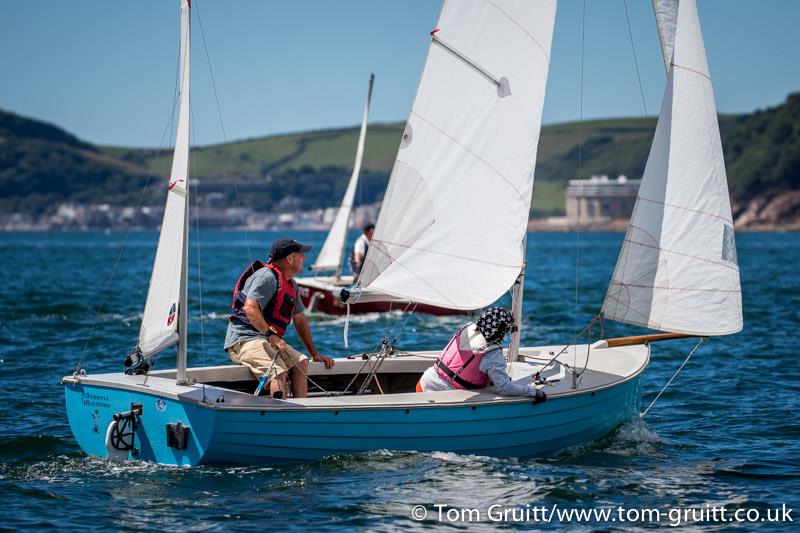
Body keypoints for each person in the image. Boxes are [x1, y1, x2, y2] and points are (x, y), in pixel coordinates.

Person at [224, 238, 335, 398]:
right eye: (301, 255)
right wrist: (271, 336)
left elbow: (300, 319)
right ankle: (281, 416)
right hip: (244, 341)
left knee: (302, 362)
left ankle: (300, 412)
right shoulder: (266, 277)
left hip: (267, 340)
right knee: (278, 371)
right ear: (290, 259)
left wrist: (314, 353)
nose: (304, 258)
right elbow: (250, 307)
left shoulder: (292, 285)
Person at [417, 307, 547, 401]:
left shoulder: (467, 328)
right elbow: (504, 388)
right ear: (501, 332)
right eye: (506, 330)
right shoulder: (492, 354)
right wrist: (533, 392)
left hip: (423, 384)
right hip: (442, 397)